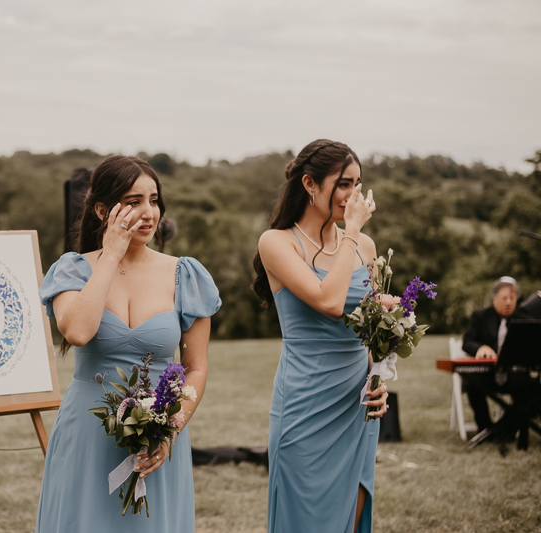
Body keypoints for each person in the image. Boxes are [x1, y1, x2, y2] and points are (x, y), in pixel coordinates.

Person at [35, 155, 221, 532]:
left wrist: (170, 428)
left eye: (153, 200)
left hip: (160, 436)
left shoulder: (186, 274)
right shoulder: (73, 270)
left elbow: (196, 367)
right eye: (133, 201)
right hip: (87, 433)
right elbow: (77, 332)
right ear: (103, 210)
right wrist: (110, 255)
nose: (148, 212)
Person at [252, 139, 388, 533]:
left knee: (351, 511)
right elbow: (329, 302)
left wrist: (380, 379)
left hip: (357, 403)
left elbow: (373, 331)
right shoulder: (276, 242)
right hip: (305, 402)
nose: (353, 195)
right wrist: (351, 231)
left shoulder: (365, 246)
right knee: (305, 518)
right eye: (343, 184)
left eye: (358, 184)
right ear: (310, 184)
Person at [462, 276, 524, 432]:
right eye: (504, 298)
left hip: (513, 376)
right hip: (487, 375)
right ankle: (486, 428)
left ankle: (506, 429)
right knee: (471, 383)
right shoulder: (480, 316)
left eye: (512, 298)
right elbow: (467, 341)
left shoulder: (524, 319)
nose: (508, 302)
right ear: (495, 299)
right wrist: (480, 348)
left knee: (532, 388)